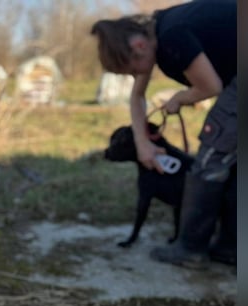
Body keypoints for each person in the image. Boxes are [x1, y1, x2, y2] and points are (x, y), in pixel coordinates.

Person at [91, 1, 237, 268]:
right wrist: (142, 143)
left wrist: (180, 98)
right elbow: (137, 97)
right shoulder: (159, 30)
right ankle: (231, 247)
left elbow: (210, 86)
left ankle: (190, 248)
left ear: (138, 46)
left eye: (134, 70)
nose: (138, 76)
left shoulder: (172, 37)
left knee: (211, 158)